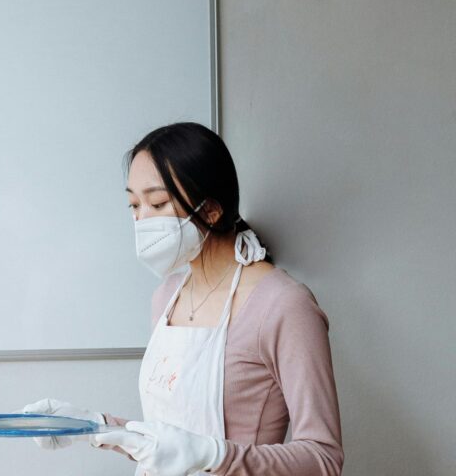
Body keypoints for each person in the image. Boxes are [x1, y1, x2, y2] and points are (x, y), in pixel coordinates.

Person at [21, 122, 344, 475]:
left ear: (211, 210)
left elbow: (323, 458)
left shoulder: (282, 306)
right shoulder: (166, 297)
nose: (141, 220)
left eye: (157, 203)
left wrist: (215, 455)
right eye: (134, 205)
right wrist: (92, 426)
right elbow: (167, 446)